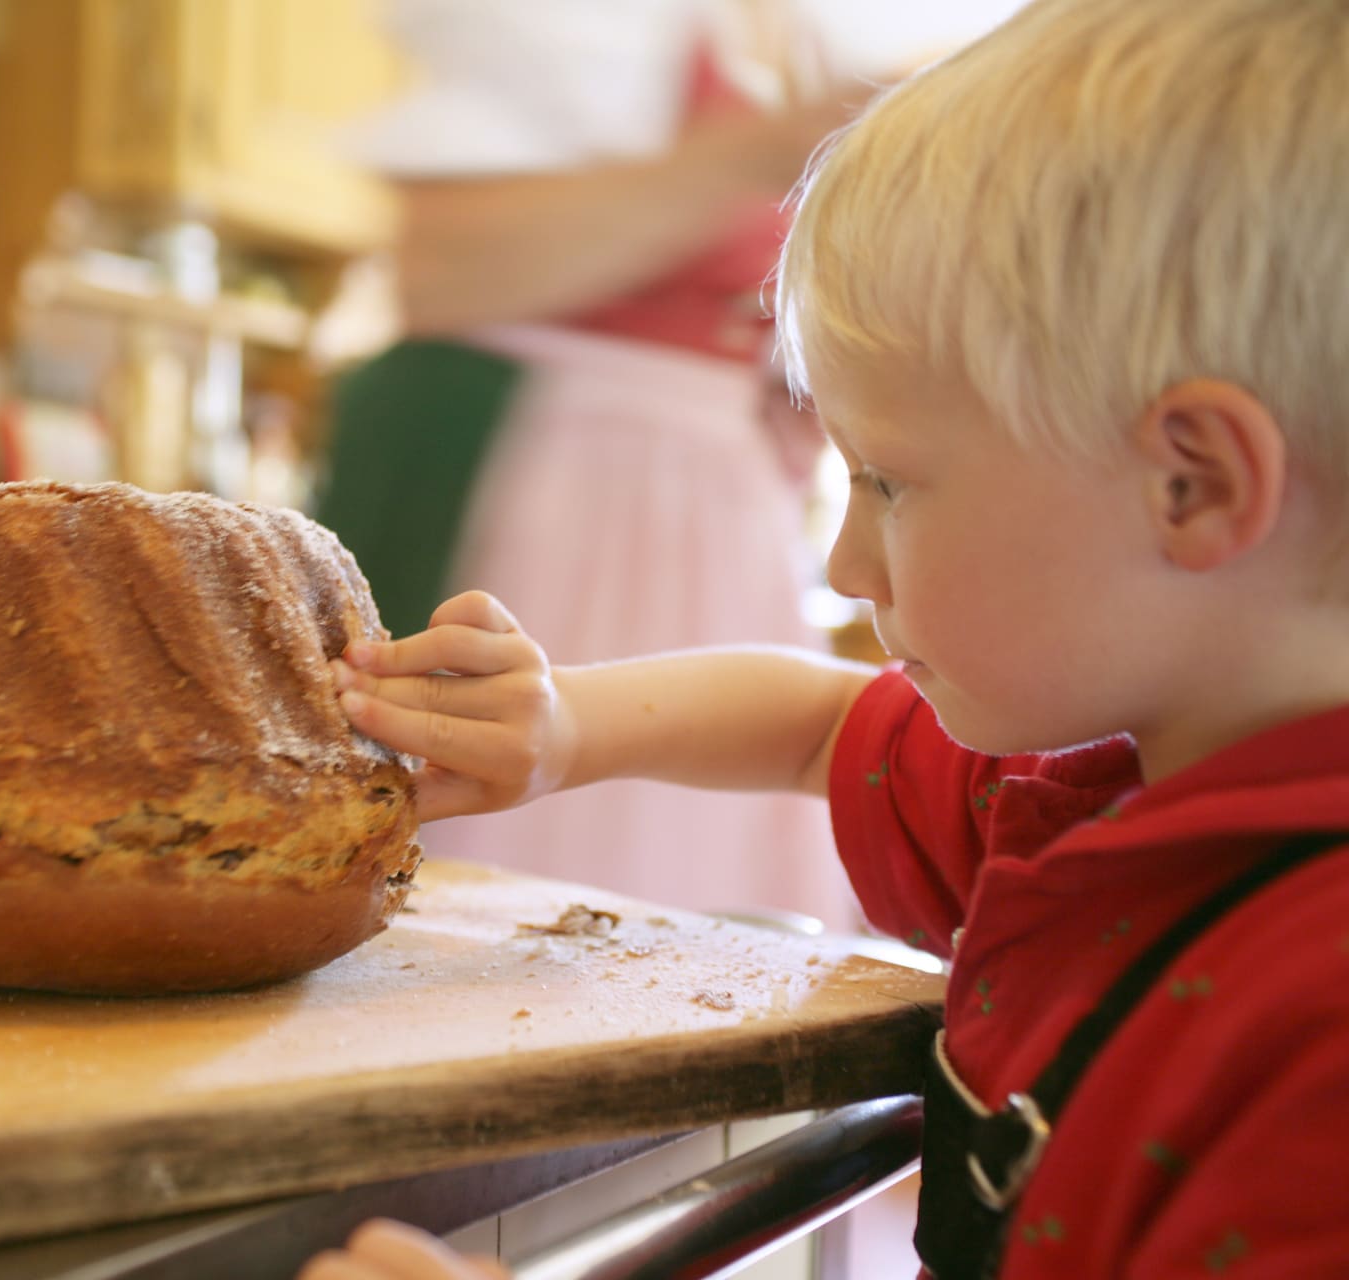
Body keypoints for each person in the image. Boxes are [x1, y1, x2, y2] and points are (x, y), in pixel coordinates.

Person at [301, 0, 1349, 1275]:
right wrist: (569, 726)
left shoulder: (1315, 1027)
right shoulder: (1091, 790)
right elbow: (811, 723)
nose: (847, 565)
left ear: (1194, 484)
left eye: (891, 482)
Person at [317, 0, 859, 926]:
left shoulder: (764, 30)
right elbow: (441, 269)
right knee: (540, 852)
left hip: (699, 496)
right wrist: (760, 149)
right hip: (573, 490)